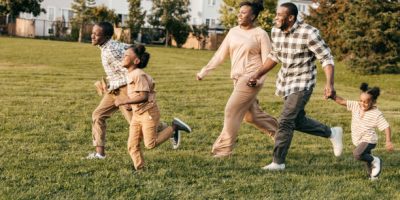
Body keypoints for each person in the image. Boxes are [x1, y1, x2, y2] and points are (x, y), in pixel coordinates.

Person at [248, 2, 343, 170]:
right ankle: (332, 132)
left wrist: (330, 84)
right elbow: (274, 56)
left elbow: (326, 58)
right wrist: (257, 74)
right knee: (297, 121)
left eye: (279, 15)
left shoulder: (309, 33)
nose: (275, 17)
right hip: (286, 82)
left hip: (303, 82)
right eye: (276, 14)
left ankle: (278, 162)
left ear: (290, 17)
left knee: (285, 121)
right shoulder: (276, 31)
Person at [196, 1, 278, 158]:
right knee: (251, 116)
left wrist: (258, 79)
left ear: (253, 16)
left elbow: (268, 60)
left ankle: (223, 150)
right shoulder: (233, 32)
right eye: (239, 12)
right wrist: (204, 72)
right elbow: (220, 54)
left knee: (231, 110)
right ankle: (281, 135)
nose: (239, 15)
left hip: (251, 78)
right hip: (237, 78)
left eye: (244, 12)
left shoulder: (260, 34)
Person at [87, 22, 166, 159]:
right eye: (92, 32)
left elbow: (130, 69)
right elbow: (131, 48)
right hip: (113, 89)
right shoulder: (109, 46)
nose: (92, 36)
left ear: (106, 36)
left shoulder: (111, 50)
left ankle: (169, 129)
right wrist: (109, 82)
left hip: (124, 89)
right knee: (98, 115)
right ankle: (100, 154)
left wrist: (129, 97)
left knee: (137, 124)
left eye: (96, 34)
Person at [114, 44, 192, 171]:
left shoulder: (138, 75)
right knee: (132, 145)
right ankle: (140, 169)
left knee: (150, 144)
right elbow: (137, 95)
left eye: (126, 55)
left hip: (148, 113)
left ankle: (174, 127)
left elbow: (144, 96)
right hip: (137, 114)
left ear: (136, 61)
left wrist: (124, 100)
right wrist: (130, 104)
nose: (123, 56)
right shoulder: (131, 74)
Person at [331, 83, 393, 180]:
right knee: (367, 159)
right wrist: (332, 96)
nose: (362, 104)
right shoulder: (356, 106)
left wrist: (388, 141)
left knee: (358, 154)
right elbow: (342, 101)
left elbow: (386, 127)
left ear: (373, 102)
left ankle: (376, 160)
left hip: (369, 140)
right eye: (361, 101)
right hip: (358, 140)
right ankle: (373, 176)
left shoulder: (376, 114)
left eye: (366, 102)